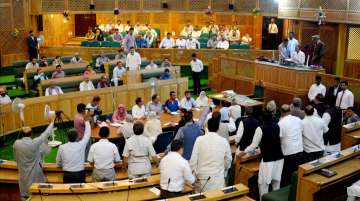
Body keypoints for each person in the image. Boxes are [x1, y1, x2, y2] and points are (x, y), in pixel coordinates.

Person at [241, 111, 284, 200]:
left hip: (268, 160)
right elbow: (275, 140)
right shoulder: (277, 126)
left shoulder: (260, 129)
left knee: (263, 184)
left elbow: (253, 145)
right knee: (276, 184)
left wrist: (244, 152)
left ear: (262, 119)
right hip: (279, 158)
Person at [13, 117, 54, 201]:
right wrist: (52, 122)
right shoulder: (35, 143)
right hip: (36, 179)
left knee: (24, 198)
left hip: (23, 181)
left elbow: (16, 158)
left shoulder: (16, 144)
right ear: (31, 134)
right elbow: (45, 134)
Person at [190, 117, 232, 192]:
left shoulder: (199, 140)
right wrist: (224, 168)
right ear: (218, 128)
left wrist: (194, 173)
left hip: (202, 178)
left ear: (207, 127)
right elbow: (229, 159)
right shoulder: (224, 141)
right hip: (217, 178)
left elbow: (193, 160)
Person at [56, 115, 90, 183]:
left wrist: (66, 165)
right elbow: (87, 134)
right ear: (77, 137)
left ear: (67, 138)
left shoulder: (61, 147)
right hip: (80, 174)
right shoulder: (81, 145)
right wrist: (87, 122)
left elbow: (58, 162)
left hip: (67, 175)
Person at [278, 104, 303, 187]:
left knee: (286, 175)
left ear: (281, 112)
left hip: (288, 152)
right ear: (290, 111)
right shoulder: (298, 119)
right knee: (295, 173)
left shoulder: (280, 123)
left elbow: (279, 138)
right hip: (299, 150)